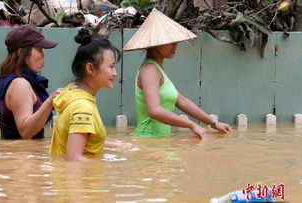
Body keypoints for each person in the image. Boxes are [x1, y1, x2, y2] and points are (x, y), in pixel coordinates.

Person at [123, 9, 232, 138]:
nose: (175, 45)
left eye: (175, 41)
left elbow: (182, 101)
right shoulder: (150, 70)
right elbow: (154, 110)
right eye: (170, 41)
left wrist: (214, 123)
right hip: (150, 142)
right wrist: (190, 124)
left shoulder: (157, 69)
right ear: (156, 42)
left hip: (159, 143)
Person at [50, 28, 132, 162]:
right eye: (111, 67)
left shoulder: (71, 93)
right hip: (81, 182)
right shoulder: (83, 109)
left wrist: (118, 146)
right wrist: (108, 166)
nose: (115, 73)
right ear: (90, 68)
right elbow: (74, 158)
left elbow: (82, 142)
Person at [0, 24, 61, 139]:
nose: (43, 55)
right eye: (39, 49)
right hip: (21, 156)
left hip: (21, 155)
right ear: (21, 52)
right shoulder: (20, 84)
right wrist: (49, 102)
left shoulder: (12, 79)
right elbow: (25, 132)